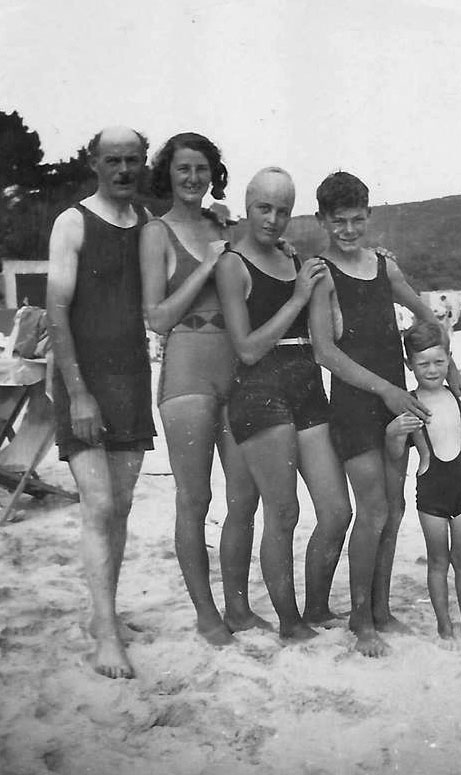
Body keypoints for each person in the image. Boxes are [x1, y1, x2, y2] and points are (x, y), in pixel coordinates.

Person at [309, 171, 461, 657]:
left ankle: (380, 611)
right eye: (339, 221)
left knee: (395, 510)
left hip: (396, 403)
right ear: (322, 220)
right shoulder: (321, 274)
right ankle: (360, 620)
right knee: (374, 509)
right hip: (357, 405)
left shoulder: (383, 266)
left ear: (369, 216)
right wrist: (387, 390)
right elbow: (324, 351)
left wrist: (453, 370)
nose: (349, 230)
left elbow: (429, 318)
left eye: (358, 220)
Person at [139, 133, 266, 647]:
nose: (193, 178)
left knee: (245, 494)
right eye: (183, 168)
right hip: (187, 368)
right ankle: (206, 613)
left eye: (202, 168)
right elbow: (157, 317)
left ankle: (238, 607)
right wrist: (209, 265)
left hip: (236, 366)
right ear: (168, 174)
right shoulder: (156, 233)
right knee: (195, 497)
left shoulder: (224, 226)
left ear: (214, 174)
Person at [216, 167, 352, 641]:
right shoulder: (232, 265)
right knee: (283, 512)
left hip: (306, 383)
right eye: (264, 208)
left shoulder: (293, 257)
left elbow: (329, 330)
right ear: (247, 206)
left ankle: (316, 607)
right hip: (259, 389)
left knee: (337, 511)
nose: (273, 219)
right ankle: (289, 623)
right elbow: (247, 348)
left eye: (283, 210)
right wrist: (296, 298)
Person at [47, 126, 156, 679]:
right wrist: (78, 393)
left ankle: (103, 614)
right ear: (94, 163)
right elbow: (56, 311)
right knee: (100, 505)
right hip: (85, 382)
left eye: (132, 160)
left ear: (143, 163)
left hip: (133, 379)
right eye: (113, 160)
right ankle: (106, 635)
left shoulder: (147, 224)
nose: (123, 170)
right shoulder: (73, 222)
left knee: (123, 504)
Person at [386, 321, 461, 642]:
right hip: (431, 493)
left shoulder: (457, 397)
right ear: (410, 364)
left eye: (439, 361)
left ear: (449, 358)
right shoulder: (410, 403)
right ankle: (444, 625)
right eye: (423, 364)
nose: (432, 370)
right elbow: (395, 455)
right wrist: (393, 433)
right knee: (437, 562)